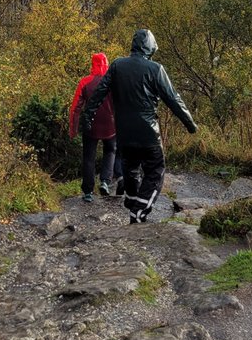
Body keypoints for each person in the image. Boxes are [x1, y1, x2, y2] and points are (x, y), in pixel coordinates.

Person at [83, 29, 196, 224]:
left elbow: (100, 92)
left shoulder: (118, 65)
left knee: (131, 169)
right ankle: (139, 211)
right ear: (151, 47)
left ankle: (132, 200)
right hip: (148, 134)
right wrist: (190, 123)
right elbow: (173, 99)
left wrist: (88, 116)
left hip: (125, 135)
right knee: (155, 171)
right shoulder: (155, 69)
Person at [68, 52, 122, 203]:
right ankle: (105, 181)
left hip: (91, 125)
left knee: (89, 157)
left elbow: (75, 107)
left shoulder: (85, 82)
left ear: (93, 64)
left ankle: (88, 192)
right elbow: (121, 103)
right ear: (107, 63)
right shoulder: (114, 82)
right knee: (110, 151)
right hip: (111, 126)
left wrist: (73, 129)